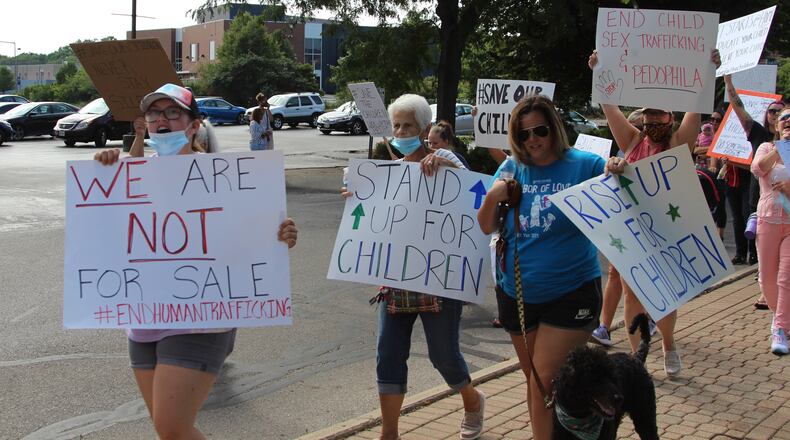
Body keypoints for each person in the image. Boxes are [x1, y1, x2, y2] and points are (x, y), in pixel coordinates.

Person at [94, 83, 299, 439]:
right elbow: (104, 231)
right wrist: (105, 170)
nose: (161, 120)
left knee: (173, 428)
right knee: (170, 430)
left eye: (173, 112)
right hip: (144, 320)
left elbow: (257, 232)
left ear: (192, 125)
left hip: (202, 319)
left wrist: (282, 235)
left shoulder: (224, 175)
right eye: (154, 113)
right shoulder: (132, 174)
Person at [342, 94, 484, 440]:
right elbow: (369, 222)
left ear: (423, 129)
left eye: (408, 125)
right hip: (396, 279)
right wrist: (357, 200)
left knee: (444, 356)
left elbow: (478, 195)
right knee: (388, 354)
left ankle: (472, 400)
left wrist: (448, 172)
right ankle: (389, 432)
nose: (401, 130)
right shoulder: (386, 171)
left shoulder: (445, 160)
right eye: (396, 125)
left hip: (438, 280)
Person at [478, 95, 605, 440]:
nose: (532, 140)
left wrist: (617, 169)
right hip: (517, 293)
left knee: (544, 377)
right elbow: (486, 225)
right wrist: (494, 196)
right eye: (522, 135)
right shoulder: (511, 169)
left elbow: (620, 193)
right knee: (538, 382)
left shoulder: (586, 165)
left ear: (555, 128)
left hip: (572, 290)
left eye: (540, 130)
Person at [587, 49, 721, 376]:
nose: (652, 121)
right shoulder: (633, 141)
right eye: (648, 115)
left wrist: (710, 70)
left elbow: (697, 105)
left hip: (670, 229)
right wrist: (598, 71)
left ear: (670, 118)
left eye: (659, 115)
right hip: (635, 231)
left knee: (666, 294)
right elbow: (610, 107)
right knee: (633, 293)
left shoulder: (679, 143)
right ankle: (637, 360)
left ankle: (668, 343)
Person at [723, 76, 785, 307]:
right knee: (766, 250)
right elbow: (738, 109)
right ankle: (767, 290)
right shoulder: (758, 134)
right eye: (772, 111)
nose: (776, 114)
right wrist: (728, 82)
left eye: (781, 110)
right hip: (762, 201)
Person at [750, 107, 790, 355]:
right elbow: (758, 169)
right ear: (776, 124)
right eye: (784, 119)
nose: (788, 122)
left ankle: (780, 328)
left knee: (786, 276)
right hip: (769, 220)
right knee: (766, 279)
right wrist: (781, 148)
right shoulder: (767, 147)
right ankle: (783, 318)